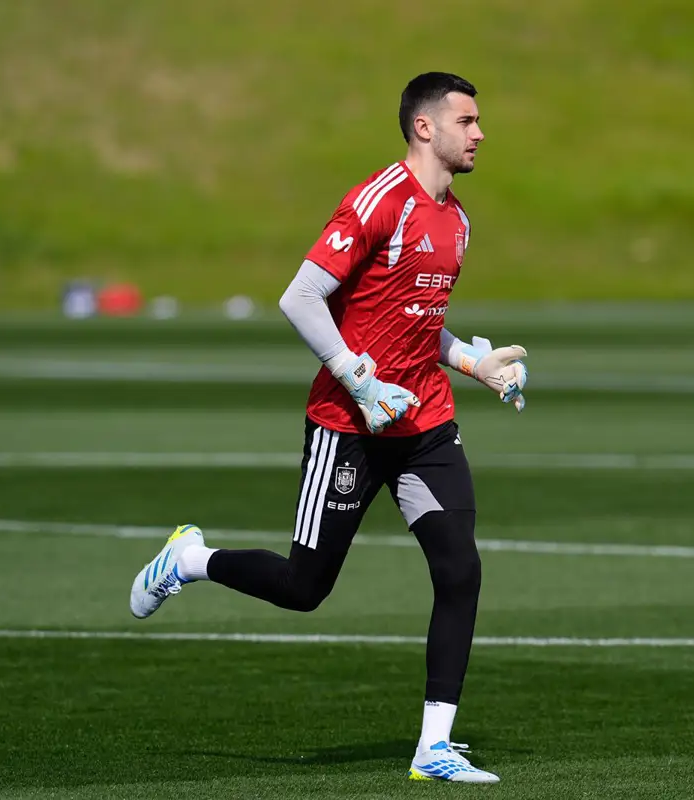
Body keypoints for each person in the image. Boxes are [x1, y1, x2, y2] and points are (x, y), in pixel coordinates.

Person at [129, 72, 528, 784]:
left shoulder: (457, 220)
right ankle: (190, 559)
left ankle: (433, 748)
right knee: (304, 586)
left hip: (424, 424)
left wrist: (475, 362)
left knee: (460, 570)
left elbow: (417, 322)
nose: (480, 133)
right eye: (467, 120)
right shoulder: (379, 200)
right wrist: (357, 377)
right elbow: (301, 295)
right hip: (348, 423)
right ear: (425, 127)